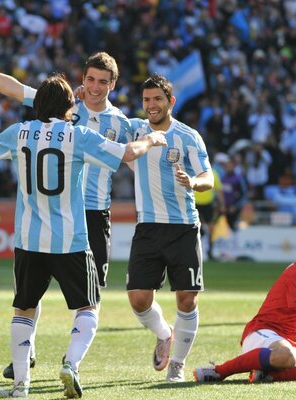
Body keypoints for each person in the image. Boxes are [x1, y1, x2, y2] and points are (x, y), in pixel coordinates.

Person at [0, 74, 166, 398]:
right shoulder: (77, 135)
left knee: (24, 310)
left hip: (29, 239)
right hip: (70, 239)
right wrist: (152, 140)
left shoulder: (19, 133)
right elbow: (128, 153)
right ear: (68, 105)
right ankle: (70, 363)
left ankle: (20, 385)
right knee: (87, 308)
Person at [0, 46, 132, 375]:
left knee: (88, 297)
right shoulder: (62, 104)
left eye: (102, 81)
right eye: (90, 79)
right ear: (82, 81)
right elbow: (12, 87)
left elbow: (136, 149)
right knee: (36, 290)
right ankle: (28, 355)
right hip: (55, 210)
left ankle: (66, 362)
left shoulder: (123, 122)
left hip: (92, 214)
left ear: (112, 85)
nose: (95, 86)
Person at [127, 74, 214, 382]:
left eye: (157, 99)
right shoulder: (135, 130)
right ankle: (164, 334)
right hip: (148, 226)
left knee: (187, 299)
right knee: (138, 299)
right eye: (147, 100)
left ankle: (176, 365)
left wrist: (193, 182)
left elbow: (208, 177)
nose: (151, 105)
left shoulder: (188, 136)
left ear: (170, 102)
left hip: (183, 227)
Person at [194, 224, 296, 383]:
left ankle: (269, 376)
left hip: (285, 350)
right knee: (286, 355)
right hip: (262, 335)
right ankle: (218, 371)